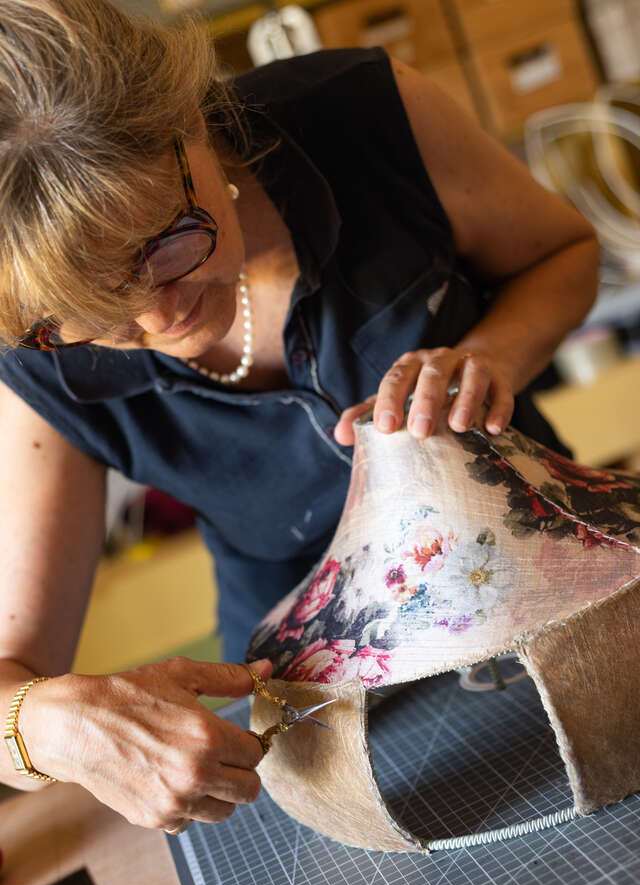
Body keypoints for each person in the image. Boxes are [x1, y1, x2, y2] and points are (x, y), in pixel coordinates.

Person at [0, 0, 598, 836]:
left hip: (540, 577)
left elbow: (566, 254)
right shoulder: (36, 356)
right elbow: (12, 674)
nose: (155, 321)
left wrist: (492, 353)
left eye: (167, 243)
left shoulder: (366, 116)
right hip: (316, 696)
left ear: (189, 122)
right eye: (91, 311)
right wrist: (41, 724)